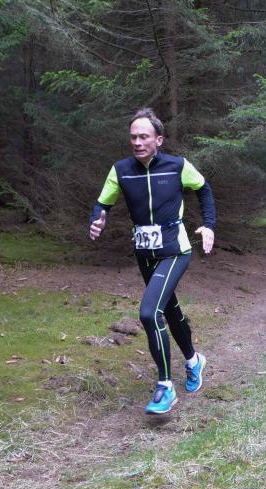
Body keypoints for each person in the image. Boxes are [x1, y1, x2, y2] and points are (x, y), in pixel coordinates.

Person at [88, 108, 216, 414]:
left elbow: (204, 189)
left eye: (144, 136)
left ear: (158, 139)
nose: (137, 142)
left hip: (175, 249)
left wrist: (209, 225)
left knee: (148, 313)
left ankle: (165, 387)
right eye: (133, 137)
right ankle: (194, 361)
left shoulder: (177, 166)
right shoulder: (120, 170)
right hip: (145, 253)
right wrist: (97, 220)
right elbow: (102, 203)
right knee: (168, 309)